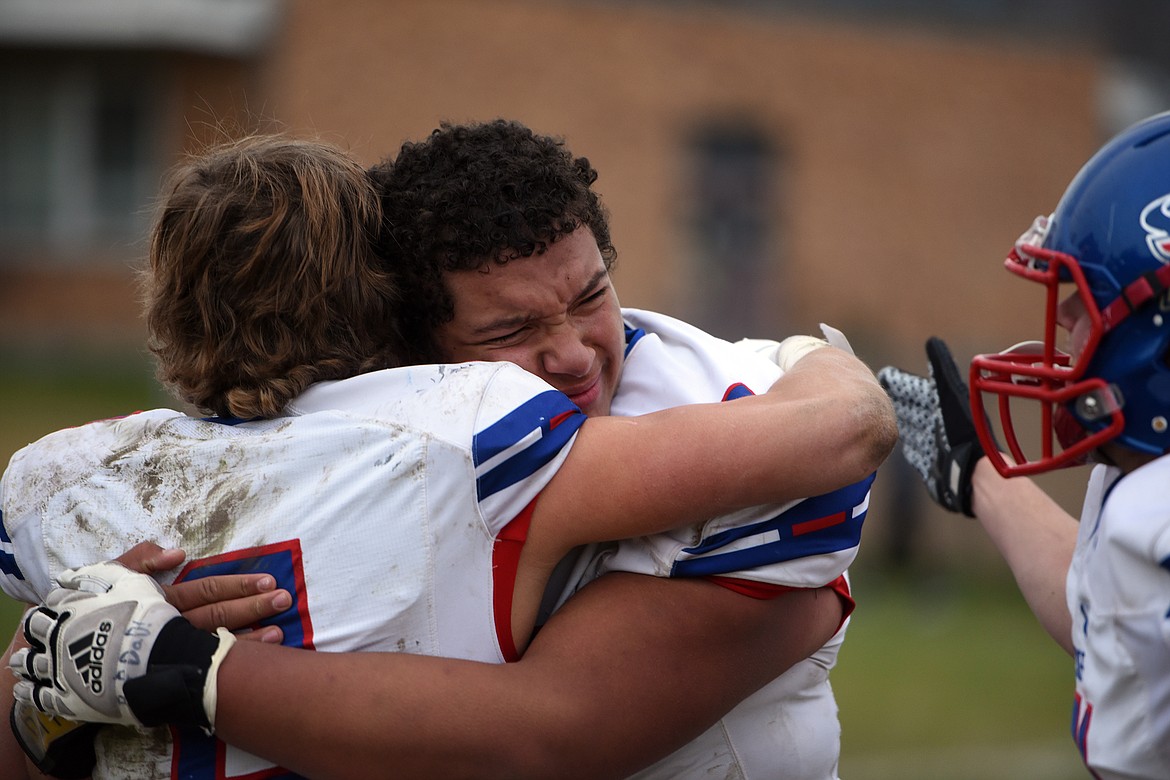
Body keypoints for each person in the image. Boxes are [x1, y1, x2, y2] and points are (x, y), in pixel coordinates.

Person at [2, 132, 895, 779]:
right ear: (406, 339)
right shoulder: (463, 430)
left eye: (592, 298)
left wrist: (108, 677)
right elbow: (550, 732)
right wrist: (829, 370)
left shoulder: (72, 483)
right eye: (510, 330)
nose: (576, 355)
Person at [878, 111, 1170, 780]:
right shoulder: (1140, 500)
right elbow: (1104, 616)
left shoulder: (1152, 516)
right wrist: (976, 472)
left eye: (1084, 297)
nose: (1065, 316)